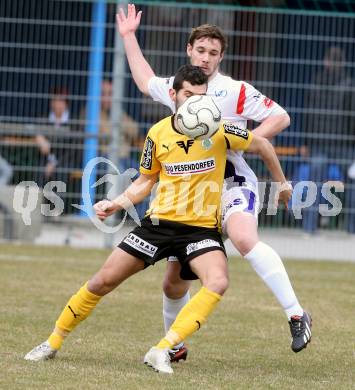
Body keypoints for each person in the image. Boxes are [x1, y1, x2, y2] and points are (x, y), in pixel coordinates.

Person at [24, 65, 292, 374]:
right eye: (189, 95)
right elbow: (145, 180)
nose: (195, 103)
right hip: (159, 225)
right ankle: (52, 341)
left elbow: (263, 146)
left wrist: (282, 185)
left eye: (201, 96)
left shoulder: (218, 129)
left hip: (200, 231)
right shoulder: (158, 132)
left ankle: (162, 349)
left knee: (218, 281)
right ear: (175, 95)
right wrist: (117, 202)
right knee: (102, 281)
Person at [116, 4, 312, 359]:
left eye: (214, 53)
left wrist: (241, 146)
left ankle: (296, 314)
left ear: (221, 57)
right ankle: (174, 347)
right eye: (201, 50)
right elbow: (145, 80)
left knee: (243, 238)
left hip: (233, 184)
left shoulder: (233, 90)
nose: (206, 58)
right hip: (193, 197)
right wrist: (129, 36)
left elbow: (280, 116)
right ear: (190, 50)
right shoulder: (181, 85)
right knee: (173, 282)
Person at [298, 46, 355, 234]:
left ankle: (309, 228)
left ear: (326, 61)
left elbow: (308, 115)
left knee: (314, 183)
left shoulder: (315, 82)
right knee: (352, 182)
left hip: (318, 143)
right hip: (344, 143)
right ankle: (351, 228)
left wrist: (305, 142)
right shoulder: (349, 84)